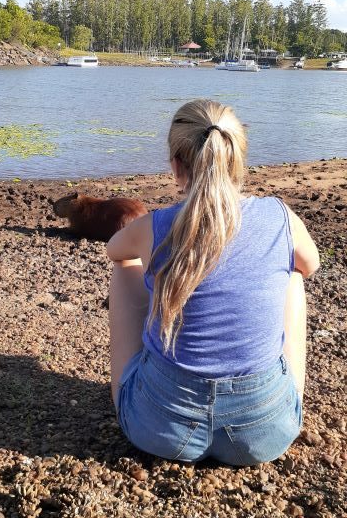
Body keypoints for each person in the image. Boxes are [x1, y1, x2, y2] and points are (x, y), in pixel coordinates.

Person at [107, 99, 320, 465]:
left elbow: (115, 250)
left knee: (125, 266)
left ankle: (147, 379)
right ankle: (285, 396)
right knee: (294, 274)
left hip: (158, 429)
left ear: (176, 165)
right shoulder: (279, 216)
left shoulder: (155, 225)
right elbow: (311, 265)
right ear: (237, 159)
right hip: (264, 434)